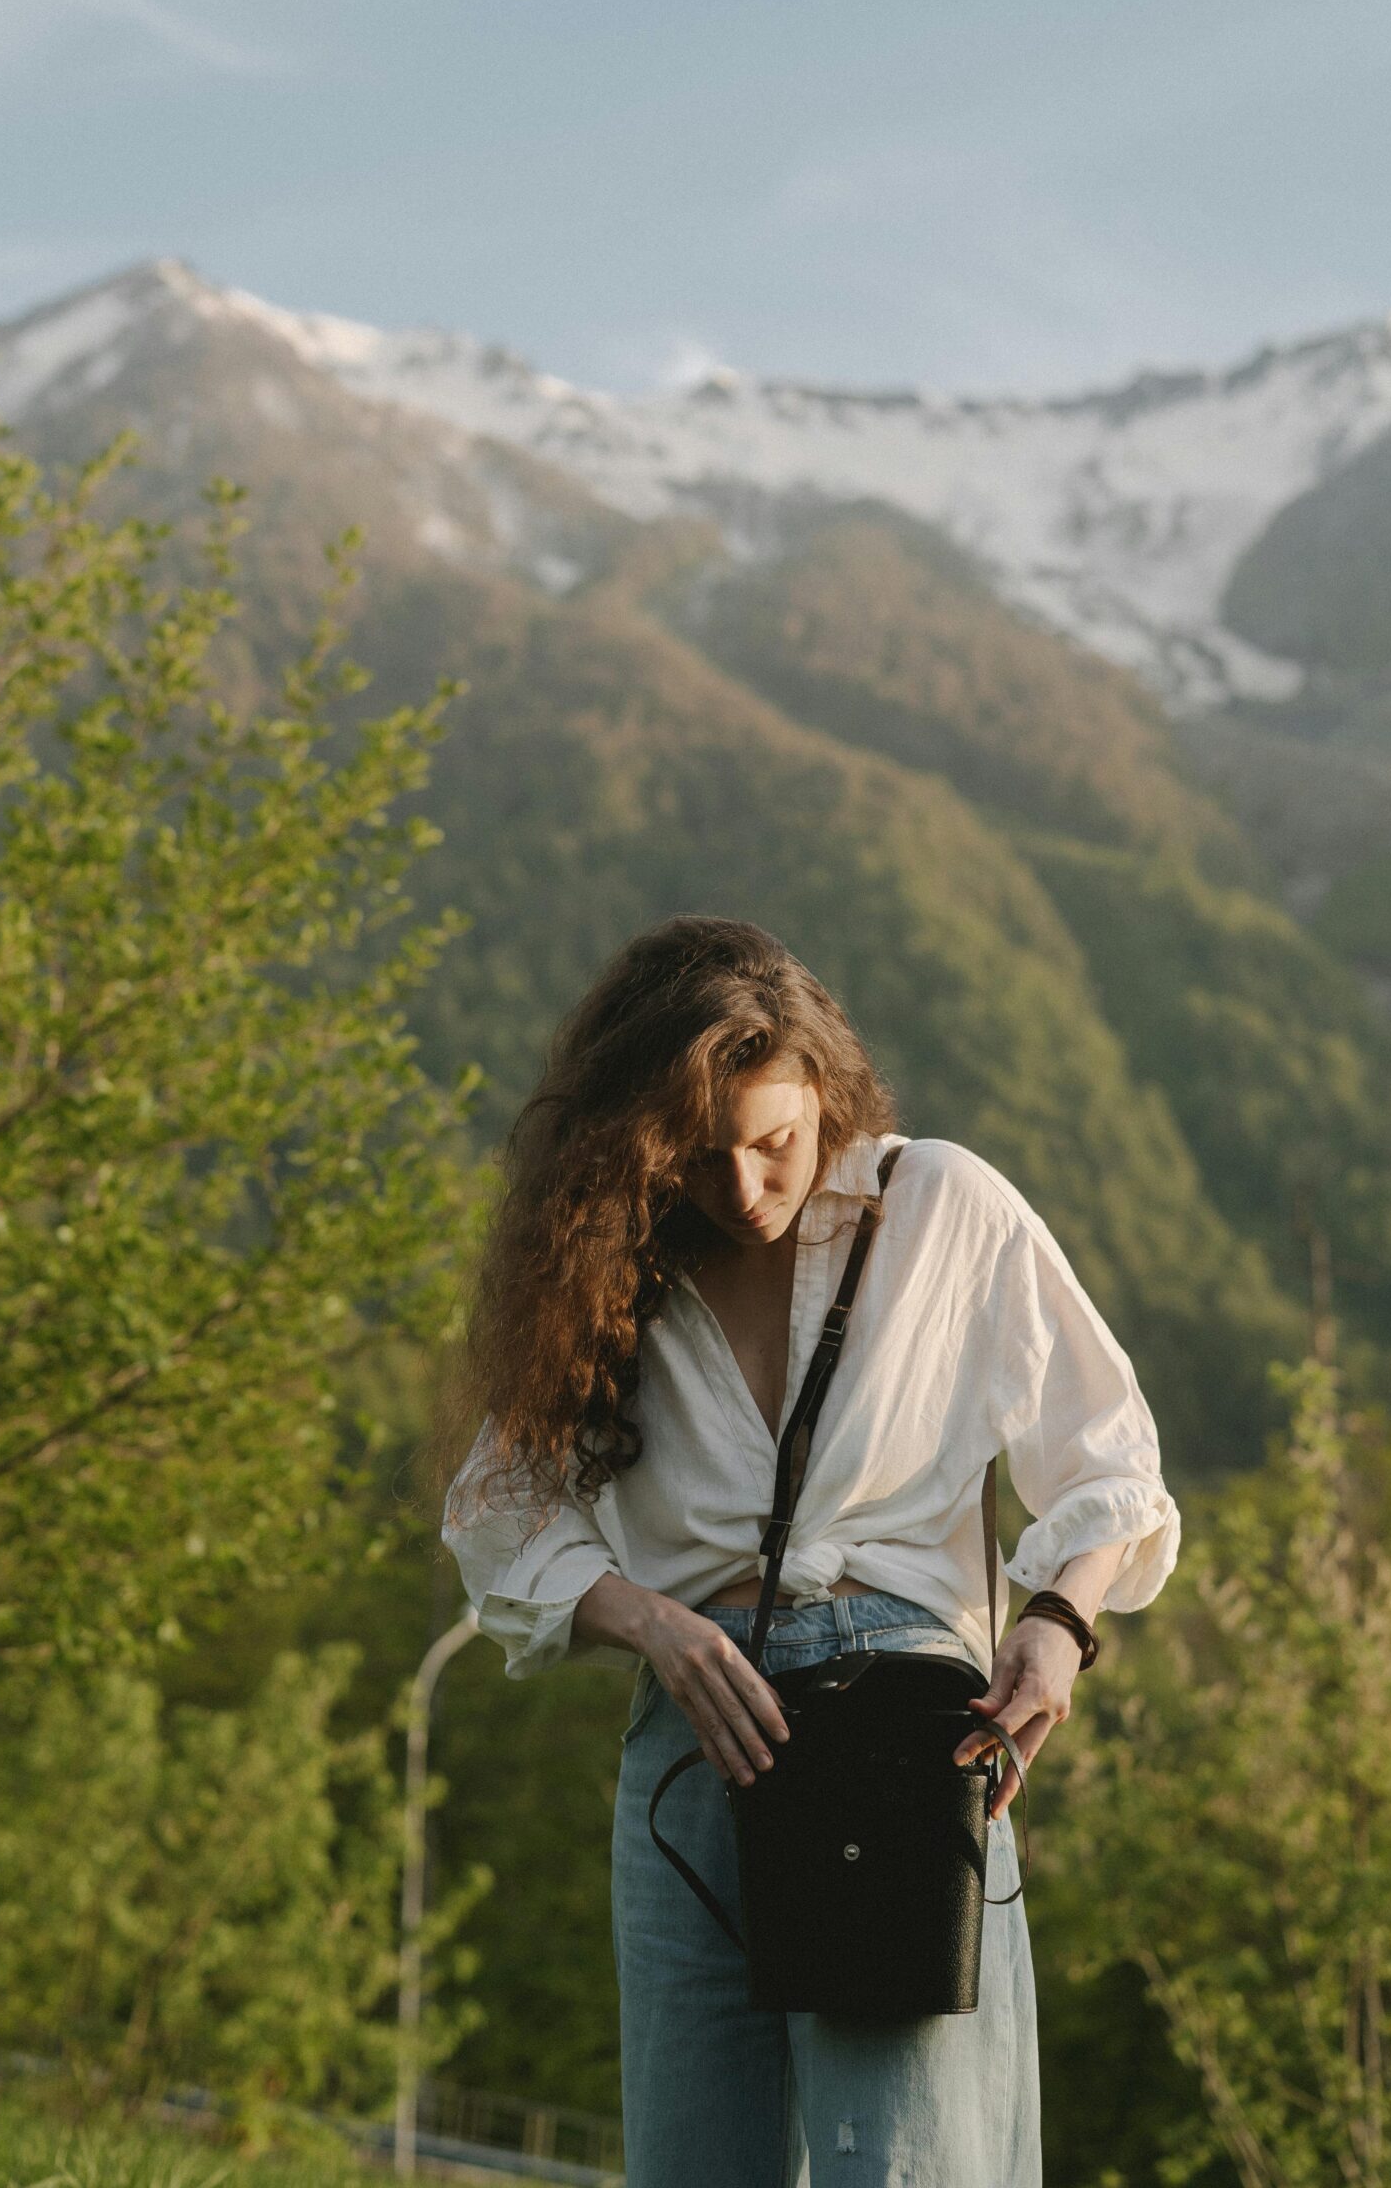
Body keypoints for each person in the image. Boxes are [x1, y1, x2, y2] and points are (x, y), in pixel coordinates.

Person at [441, 916, 1180, 2188]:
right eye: (700, 1152)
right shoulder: (612, 1261)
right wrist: (654, 1622)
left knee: (897, 2164)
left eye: (774, 1141)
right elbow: (496, 1513)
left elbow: (1108, 1455)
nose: (743, 1187)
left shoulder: (941, 1204)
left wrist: (1057, 1625)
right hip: (694, 1734)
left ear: (824, 1094)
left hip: (901, 1736)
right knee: (694, 2161)